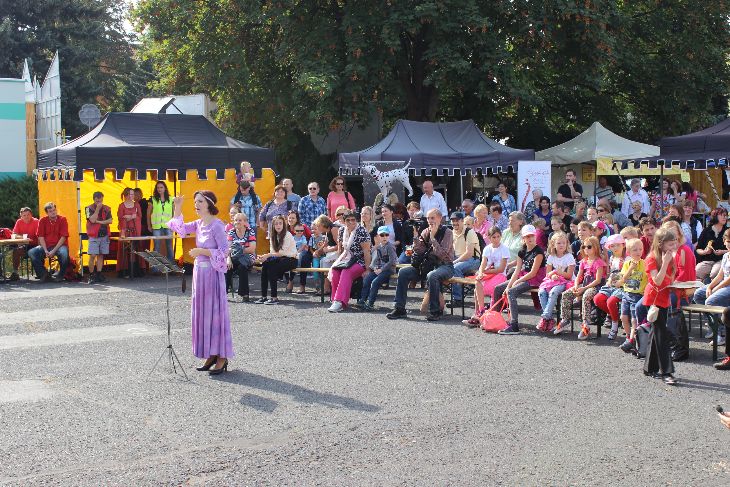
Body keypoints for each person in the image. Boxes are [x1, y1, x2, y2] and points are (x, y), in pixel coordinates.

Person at [167, 191, 233, 375]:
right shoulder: (199, 223)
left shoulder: (217, 225)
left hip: (212, 274)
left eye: (200, 201)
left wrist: (202, 251)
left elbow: (225, 250)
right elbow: (179, 229)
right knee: (203, 315)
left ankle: (221, 356)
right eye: (195, 201)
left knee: (215, 315)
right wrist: (178, 207)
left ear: (209, 204)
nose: (196, 204)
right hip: (200, 275)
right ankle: (211, 354)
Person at [387, 208, 454, 321]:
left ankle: (435, 311)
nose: (430, 220)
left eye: (432, 218)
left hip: (445, 266)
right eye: (428, 218)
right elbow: (418, 251)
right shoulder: (425, 231)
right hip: (427, 265)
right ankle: (399, 308)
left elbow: (442, 254)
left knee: (432, 275)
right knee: (403, 272)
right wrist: (416, 237)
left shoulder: (447, 232)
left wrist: (433, 238)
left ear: (439, 218)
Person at [492, 224, 546, 335]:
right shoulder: (522, 251)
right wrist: (508, 286)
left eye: (532, 236)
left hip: (535, 279)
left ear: (535, 236)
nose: (530, 238)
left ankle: (514, 325)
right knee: (498, 288)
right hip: (524, 276)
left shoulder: (539, 252)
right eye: (527, 236)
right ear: (523, 238)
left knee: (511, 292)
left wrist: (517, 282)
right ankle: (495, 319)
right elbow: (517, 271)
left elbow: (533, 273)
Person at [642, 227, 679, 385]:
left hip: (664, 297)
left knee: (655, 333)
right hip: (653, 299)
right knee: (661, 334)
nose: (673, 247)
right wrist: (664, 263)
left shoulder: (669, 256)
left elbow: (669, 280)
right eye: (670, 244)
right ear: (661, 244)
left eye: (674, 243)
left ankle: (649, 368)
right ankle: (667, 372)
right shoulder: (651, 258)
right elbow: (657, 281)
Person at [556, 236, 606, 338]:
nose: (586, 249)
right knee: (566, 294)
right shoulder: (584, 261)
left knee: (586, 296)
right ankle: (565, 319)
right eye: (584, 247)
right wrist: (576, 286)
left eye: (589, 247)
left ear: (596, 247)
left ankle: (586, 324)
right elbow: (579, 276)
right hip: (584, 285)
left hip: (595, 286)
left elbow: (598, 280)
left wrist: (583, 288)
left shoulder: (599, 262)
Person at [462, 226, 510, 326]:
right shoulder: (487, 248)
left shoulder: (504, 249)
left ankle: (483, 315)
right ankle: (480, 312)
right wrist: (480, 272)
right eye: (494, 237)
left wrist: (485, 271)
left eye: (498, 236)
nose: (496, 239)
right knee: (477, 283)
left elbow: (501, 269)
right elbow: (483, 263)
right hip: (489, 274)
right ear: (489, 237)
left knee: (480, 289)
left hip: (500, 275)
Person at [327, 210, 372, 312]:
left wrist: (368, 269)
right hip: (346, 259)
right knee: (335, 271)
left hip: (360, 261)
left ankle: (340, 302)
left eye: (353, 220)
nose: (351, 222)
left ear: (357, 220)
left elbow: (367, 251)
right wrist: (338, 262)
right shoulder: (341, 230)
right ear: (344, 221)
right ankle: (335, 300)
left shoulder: (361, 231)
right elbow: (340, 250)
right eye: (348, 220)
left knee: (346, 272)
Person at [692, 228, 730, 345]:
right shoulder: (726, 255)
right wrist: (710, 287)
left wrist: (716, 289)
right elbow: (720, 275)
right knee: (698, 294)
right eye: (728, 241)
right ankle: (713, 325)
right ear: (724, 241)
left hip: (728, 286)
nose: (729, 244)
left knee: (711, 301)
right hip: (723, 284)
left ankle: (721, 332)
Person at [536, 231, 575, 333]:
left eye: (563, 243)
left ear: (567, 244)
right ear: (553, 244)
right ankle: (549, 319)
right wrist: (552, 275)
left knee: (554, 292)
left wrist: (557, 272)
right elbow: (548, 274)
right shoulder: (551, 256)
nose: (561, 245)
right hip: (554, 280)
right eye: (559, 243)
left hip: (565, 281)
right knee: (541, 292)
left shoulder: (569, 257)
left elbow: (569, 276)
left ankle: (545, 317)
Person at [254, 215, 298, 305]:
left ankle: (274, 297)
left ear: (283, 224)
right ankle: (263, 296)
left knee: (271, 267)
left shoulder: (287, 235)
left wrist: (267, 255)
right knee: (265, 264)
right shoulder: (273, 236)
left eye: (280, 223)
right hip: (279, 258)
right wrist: (263, 257)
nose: (278, 225)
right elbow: (273, 252)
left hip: (291, 259)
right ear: (273, 225)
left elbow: (282, 252)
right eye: (276, 224)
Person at [617, 238, 649, 354]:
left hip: (638, 295)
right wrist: (631, 268)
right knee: (623, 317)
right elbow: (623, 280)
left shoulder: (645, 263)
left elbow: (649, 278)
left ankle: (632, 339)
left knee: (634, 319)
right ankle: (628, 337)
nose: (638, 252)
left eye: (640, 249)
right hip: (627, 293)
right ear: (629, 252)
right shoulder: (627, 264)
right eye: (635, 250)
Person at [354, 226, 397, 311]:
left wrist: (381, 269)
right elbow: (378, 260)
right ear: (378, 237)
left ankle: (370, 303)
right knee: (367, 279)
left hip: (388, 270)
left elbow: (392, 261)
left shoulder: (390, 246)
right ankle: (363, 299)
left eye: (386, 235)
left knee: (375, 282)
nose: (384, 237)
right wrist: (376, 268)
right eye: (382, 235)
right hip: (380, 269)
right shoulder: (379, 247)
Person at [593, 234, 626, 340]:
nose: (615, 248)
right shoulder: (612, 258)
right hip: (612, 284)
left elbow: (629, 275)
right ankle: (615, 316)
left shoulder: (627, 258)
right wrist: (609, 280)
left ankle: (614, 325)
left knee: (611, 301)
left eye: (618, 245)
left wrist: (620, 282)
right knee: (597, 299)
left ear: (623, 245)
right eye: (612, 246)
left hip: (624, 286)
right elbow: (612, 273)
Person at [28, 202, 70, 282]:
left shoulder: (62, 219)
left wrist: (53, 251)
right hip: (46, 246)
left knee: (64, 252)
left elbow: (63, 237)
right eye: (50, 211)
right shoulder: (42, 220)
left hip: (59, 246)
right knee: (31, 252)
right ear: (47, 213)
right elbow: (41, 236)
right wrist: (45, 250)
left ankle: (61, 275)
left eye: (54, 210)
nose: (53, 212)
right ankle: (44, 274)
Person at [449, 212, 482, 307]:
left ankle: (458, 299)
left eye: (457, 220)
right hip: (458, 259)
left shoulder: (469, 232)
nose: (454, 223)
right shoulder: (452, 232)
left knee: (455, 268)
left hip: (473, 259)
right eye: (452, 220)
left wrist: (454, 262)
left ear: (462, 221)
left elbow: (469, 253)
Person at [225, 212, 256, 302]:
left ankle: (244, 294)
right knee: (227, 267)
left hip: (247, 257)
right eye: (236, 220)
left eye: (240, 220)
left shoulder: (250, 231)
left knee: (242, 267)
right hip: (234, 257)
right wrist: (228, 259)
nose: (237, 222)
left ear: (245, 222)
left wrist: (237, 250)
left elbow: (252, 249)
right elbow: (227, 249)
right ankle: (223, 293)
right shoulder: (231, 232)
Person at [84, 191, 113, 284]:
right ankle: (91, 275)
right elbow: (92, 220)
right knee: (92, 255)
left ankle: (99, 274)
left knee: (101, 255)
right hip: (94, 235)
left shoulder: (107, 208)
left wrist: (100, 222)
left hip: (104, 235)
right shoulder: (88, 208)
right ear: (94, 199)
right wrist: (97, 209)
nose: (99, 202)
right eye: (97, 201)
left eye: (100, 201)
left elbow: (110, 220)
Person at [116, 188, 145, 278]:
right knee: (125, 250)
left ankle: (136, 270)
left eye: (133, 194)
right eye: (131, 194)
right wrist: (130, 217)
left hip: (135, 231)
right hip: (125, 231)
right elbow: (120, 217)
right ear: (126, 195)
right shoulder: (121, 206)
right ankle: (125, 271)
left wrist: (131, 217)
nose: (132, 196)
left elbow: (140, 216)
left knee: (136, 249)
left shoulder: (136, 204)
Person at [696, 208, 728, 282]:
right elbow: (698, 248)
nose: (725, 217)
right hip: (707, 260)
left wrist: (723, 251)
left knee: (715, 273)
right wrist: (704, 252)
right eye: (722, 215)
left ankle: (712, 287)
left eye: (726, 215)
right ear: (715, 216)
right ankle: (699, 289)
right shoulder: (706, 231)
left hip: (722, 260)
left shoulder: (728, 231)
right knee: (697, 271)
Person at [9, 207, 39, 281]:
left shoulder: (36, 221)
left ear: (31, 215)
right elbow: (14, 235)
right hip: (24, 245)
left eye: (28, 215)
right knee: (16, 251)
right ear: (21, 216)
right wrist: (23, 237)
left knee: (36, 251)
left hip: (35, 245)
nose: (26, 217)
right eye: (24, 215)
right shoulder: (19, 222)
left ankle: (40, 272)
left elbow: (40, 236)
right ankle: (15, 273)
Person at [312, 215, 339, 293]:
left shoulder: (334, 229)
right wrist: (318, 251)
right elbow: (326, 244)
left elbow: (340, 245)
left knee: (324, 261)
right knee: (322, 261)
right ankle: (326, 286)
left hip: (341, 253)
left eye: (318, 226)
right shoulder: (327, 231)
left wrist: (328, 249)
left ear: (323, 224)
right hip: (333, 253)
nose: (317, 228)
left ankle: (326, 287)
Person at [148, 181, 174, 260]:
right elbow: (148, 213)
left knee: (169, 246)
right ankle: (156, 266)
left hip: (168, 226)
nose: (159, 189)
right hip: (156, 227)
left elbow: (174, 213)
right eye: (158, 187)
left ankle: (171, 265)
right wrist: (149, 225)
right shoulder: (152, 199)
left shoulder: (171, 199)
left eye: (161, 187)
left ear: (165, 188)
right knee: (157, 246)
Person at [290, 222, 313, 294]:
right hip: (294, 251)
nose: (299, 232)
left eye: (301, 231)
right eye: (297, 231)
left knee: (300, 256)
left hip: (302, 251)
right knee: (291, 257)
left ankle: (298, 267)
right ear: (294, 231)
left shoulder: (303, 237)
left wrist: (297, 251)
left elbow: (303, 246)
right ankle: (290, 279)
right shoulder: (293, 237)